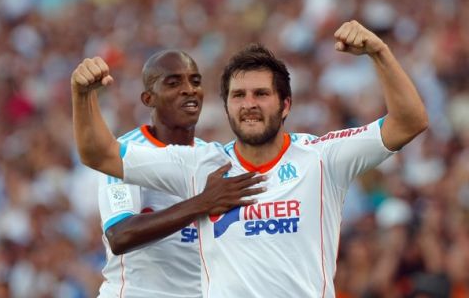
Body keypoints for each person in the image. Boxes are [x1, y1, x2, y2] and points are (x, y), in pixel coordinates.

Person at [71, 21, 428, 297]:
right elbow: (97, 153)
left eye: (261, 94)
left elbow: (409, 122)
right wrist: (82, 92)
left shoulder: (322, 157)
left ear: (285, 104)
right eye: (238, 96)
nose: (249, 104)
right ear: (226, 107)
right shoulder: (201, 166)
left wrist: (379, 52)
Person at [77, 50, 266, 297]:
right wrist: (202, 203)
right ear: (148, 99)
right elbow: (119, 235)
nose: (189, 89)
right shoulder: (125, 155)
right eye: (173, 83)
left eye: (195, 82)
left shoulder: (214, 158)